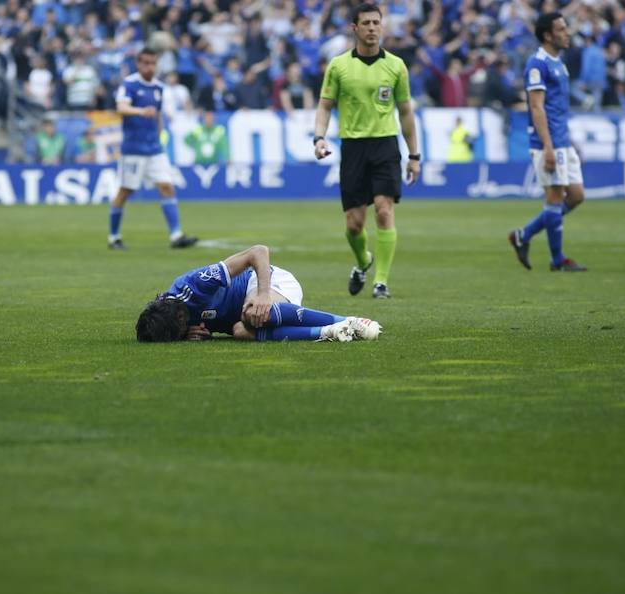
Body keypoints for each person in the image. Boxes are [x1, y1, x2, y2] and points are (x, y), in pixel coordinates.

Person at [313, 3, 420, 300]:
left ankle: (381, 282)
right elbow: (324, 105)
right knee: (354, 224)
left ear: (382, 27)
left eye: (376, 22)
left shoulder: (396, 66)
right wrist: (319, 138)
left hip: (386, 145)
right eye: (366, 23)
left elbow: (406, 113)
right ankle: (363, 262)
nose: (372, 28)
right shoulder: (339, 66)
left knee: (385, 211)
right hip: (353, 148)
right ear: (354, 28)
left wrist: (414, 156)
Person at [136, 244, 382, 343]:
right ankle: (329, 331)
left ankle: (349, 320)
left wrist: (263, 293)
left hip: (269, 281)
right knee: (241, 331)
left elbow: (259, 252)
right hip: (244, 317)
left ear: (180, 318)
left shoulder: (195, 283)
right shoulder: (168, 316)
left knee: (252, 312)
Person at [508, 12, 587, 272]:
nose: (567, 33)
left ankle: (524, 234)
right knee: (554, 198)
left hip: (562, 140)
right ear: (548, 35)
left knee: (575, 196)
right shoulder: (537, 64)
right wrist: (548, 147)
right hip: (548, 143)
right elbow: (537, 107)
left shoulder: (559, 63)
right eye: (562, 29)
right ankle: (558, 260)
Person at [108, 48, 197, 250]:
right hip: (133, 149)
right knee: (125, 190)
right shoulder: (130, 84)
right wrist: (140, 111)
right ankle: (114, 237)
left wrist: (158, 134)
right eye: (146, 63)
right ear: (138, 64)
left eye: (153, 63)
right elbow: (121, 108)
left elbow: (156, 115)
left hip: (154, 149)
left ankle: (176, 235)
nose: (150, 67)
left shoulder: (158, 87)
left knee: (167, 186)